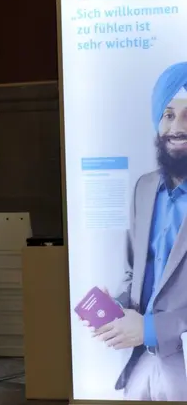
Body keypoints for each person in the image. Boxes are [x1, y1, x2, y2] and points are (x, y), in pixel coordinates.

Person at [85, 62, 187, 401]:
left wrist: (150, 329)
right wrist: (114, 306)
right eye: (169, 114)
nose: (178, 126)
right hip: (142, 361)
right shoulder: (144, 188)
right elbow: (136, 271)